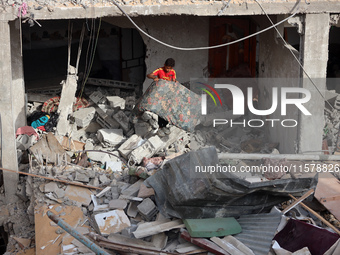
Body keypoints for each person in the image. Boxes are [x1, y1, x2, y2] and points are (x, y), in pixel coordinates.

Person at [146, 58, 176, 136]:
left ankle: (165, 126)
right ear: (164, 65)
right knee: (160, 110)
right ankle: (160, 127)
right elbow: (148, 75)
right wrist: (154, 78)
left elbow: (174, 81)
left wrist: (175, 82)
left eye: (170, 68)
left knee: (167, 110)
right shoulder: (160, 70)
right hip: (160, 95)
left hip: (168, 95)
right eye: (167, 68)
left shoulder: (173, 72)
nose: (168, 70)